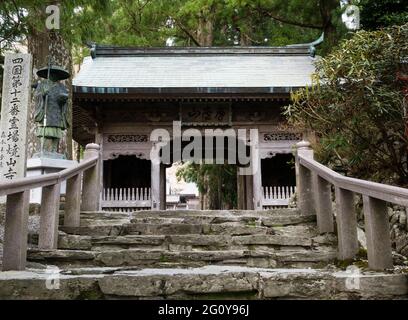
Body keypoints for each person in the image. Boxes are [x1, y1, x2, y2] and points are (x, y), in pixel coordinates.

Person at [34, 65, 70, 156]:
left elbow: (65, 96)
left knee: (56, 132)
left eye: (56, 75)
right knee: (45, 131)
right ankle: (44, 149)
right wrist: (42, 94)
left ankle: (54, 150)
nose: (54, 76)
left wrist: (63, 99)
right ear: (48, 75)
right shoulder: (42, 84)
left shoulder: (61, 86)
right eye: (53, 74)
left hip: (57, 112)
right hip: (46, 110)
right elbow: (36, 96)